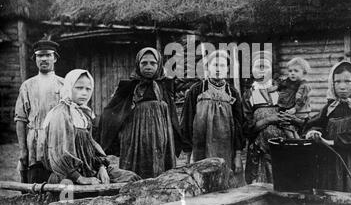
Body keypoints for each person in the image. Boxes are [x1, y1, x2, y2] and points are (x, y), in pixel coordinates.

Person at [42, 70, 141, 185]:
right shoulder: (61, 114)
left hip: (89, 168)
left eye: (88, 89)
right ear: (69, 87)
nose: (84, 93)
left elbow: (92, 146)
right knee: (67, 189)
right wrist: (80, 178)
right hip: (68, 173)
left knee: (130, 178)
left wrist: (101, 167)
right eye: (79, 88)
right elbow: (58, 154)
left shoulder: (84, 114)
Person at [99, 47, 183, 179]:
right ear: (138, 64)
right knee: (134, 172)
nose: (148, 67)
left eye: (153, 63)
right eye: (144, 63)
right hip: (134, 137)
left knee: (159, 171)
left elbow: (171, 114)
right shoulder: (128, 87)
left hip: (160, 136)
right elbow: (111, 111)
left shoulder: (164, 86)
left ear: (159, 64)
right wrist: (120, 133)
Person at [305, 61, 351, 192]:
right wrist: (315, 132)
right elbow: (316, 124)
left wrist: (333, 141)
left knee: (350, 189)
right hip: (329, 157)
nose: (342, 86)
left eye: (347, 81)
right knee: (329, 188)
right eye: (337, 82)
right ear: (332, 83)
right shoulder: (330, 107)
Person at [180, 50, 244, 184]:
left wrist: (238, 155)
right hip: (200, 149)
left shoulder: (232, 93)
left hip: (226, 149)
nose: (218, 69)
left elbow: (239, 126)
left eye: (222, 66)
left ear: (227, 69)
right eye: (215, 65)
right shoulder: (196, 90)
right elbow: (186, 121)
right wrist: (188, 153)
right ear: (207, 68)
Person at [14, 40, 64, 184]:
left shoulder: (64, 84)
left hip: (58, 143)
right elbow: (20, 119)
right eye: (39, 56)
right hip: (34, 146)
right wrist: (23, 150)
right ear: (35, 59)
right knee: (35, 183)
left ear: (54, 58)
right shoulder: (27, 86)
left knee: (58, 184)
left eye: (48, 55)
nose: (44, 59)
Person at [242, 51, 289, 184]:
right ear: (252, 71)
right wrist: (269, 119)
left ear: (272, 70)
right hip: (259, 153)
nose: (262, 71)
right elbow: (246, 127)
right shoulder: (248, 95)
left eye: (266, 67)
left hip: (282, 150)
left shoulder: (282, 92)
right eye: (258, 66)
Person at [277, 57, 312, 139]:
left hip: (300, 112)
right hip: (298, 112)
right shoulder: (295, 83)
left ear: (304, 73)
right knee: (290, 128)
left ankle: (295, 141)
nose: (292, 73)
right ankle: (296, 141)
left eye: (296, 71)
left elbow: (301, 99)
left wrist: (295, 109)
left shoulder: (304, 85)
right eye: (290, 71)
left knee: (286, 126)